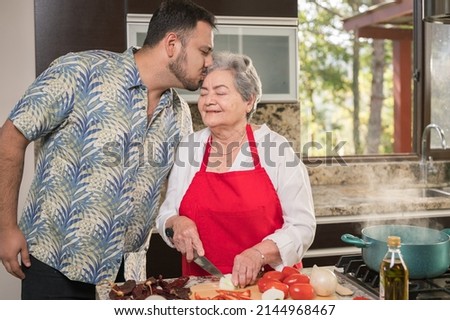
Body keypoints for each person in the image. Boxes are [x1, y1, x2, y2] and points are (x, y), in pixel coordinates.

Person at [0, 0, 216, 299]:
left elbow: (183, 189)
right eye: (204, 51)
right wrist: (6, 227)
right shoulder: (81, 72)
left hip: (127, 278)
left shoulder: (179, 114)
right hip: (55, 264)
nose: (209, 62)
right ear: (171, 44)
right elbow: (11, 138)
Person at [156, 51, 316, 288]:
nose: (209, 100)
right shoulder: (190, 148)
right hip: (204, 287)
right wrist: (176, 222)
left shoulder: (275, 149)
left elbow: (303, 226)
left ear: (248, 100)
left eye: (220, 92)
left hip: (270, 287)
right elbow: (166, 214)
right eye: (204, 92)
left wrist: (259, 253)